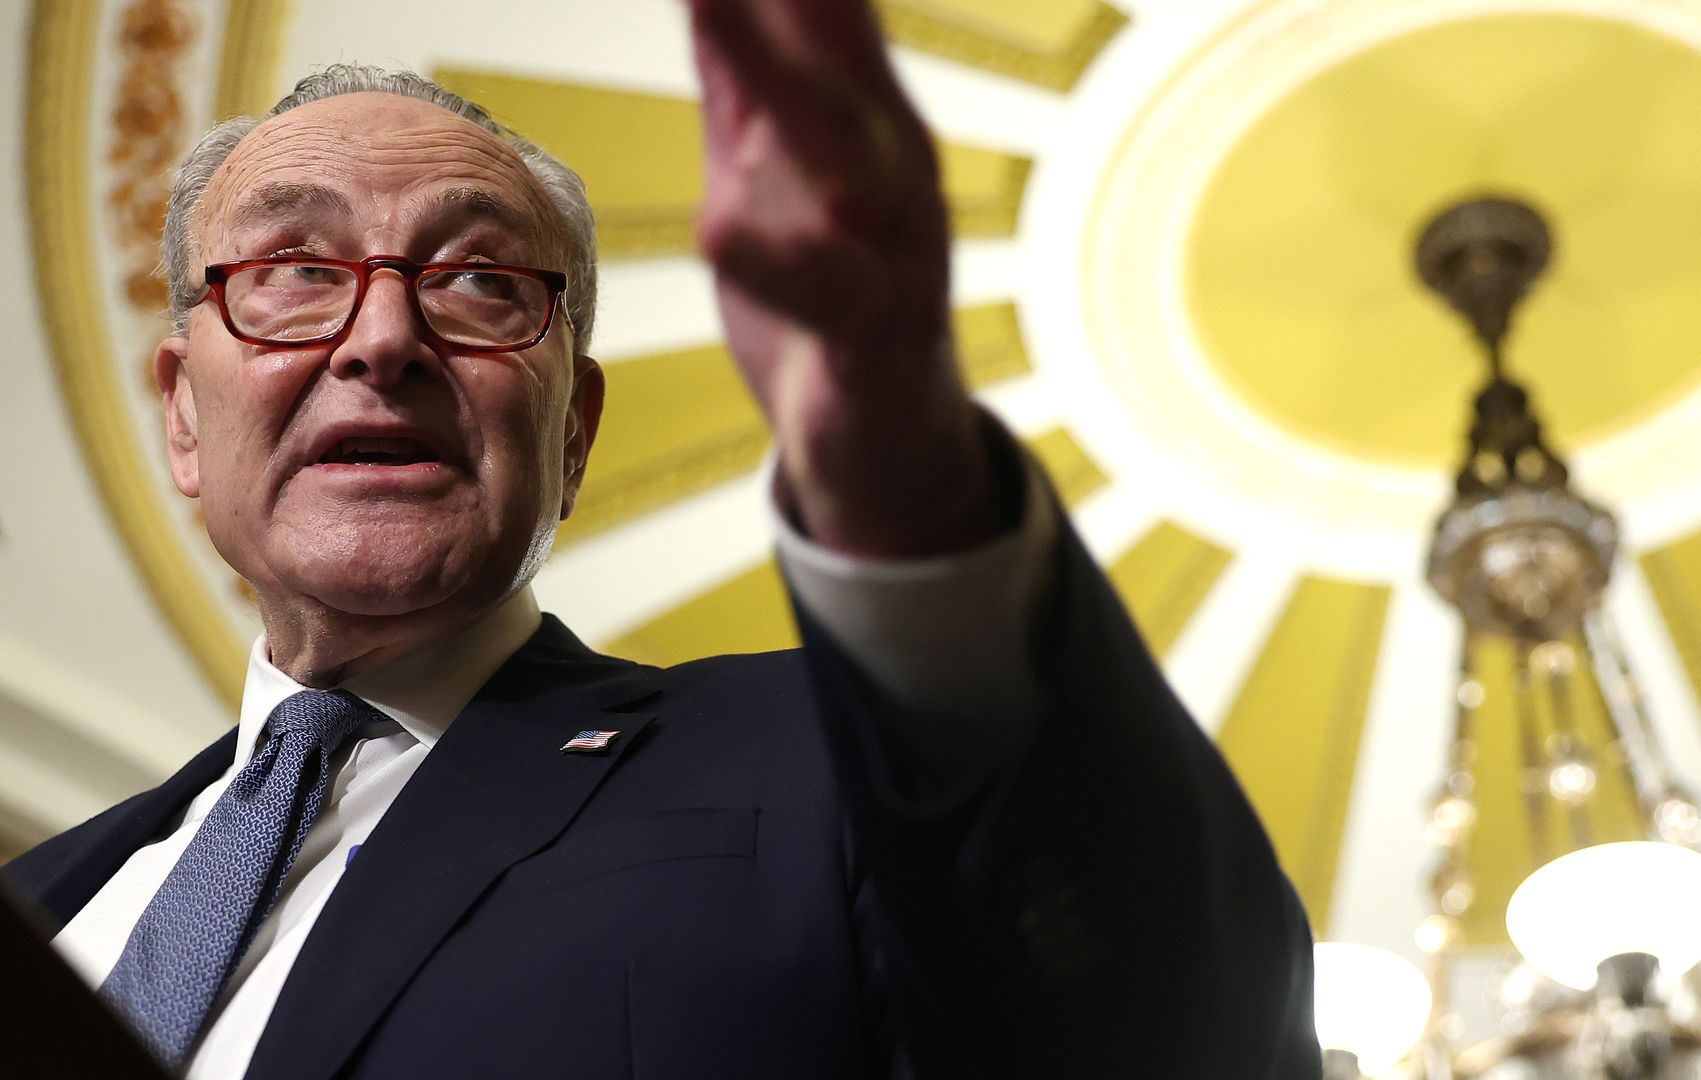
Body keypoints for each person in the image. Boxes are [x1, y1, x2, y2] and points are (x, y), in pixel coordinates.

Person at [3, 1, 1319, 1077]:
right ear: (184, 411)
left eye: (479, 282)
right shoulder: (50, 893)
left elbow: (1162, 1014)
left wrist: (902, 457)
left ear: (572, 429)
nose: (386, 339)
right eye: (296, 272)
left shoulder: (833, 760)